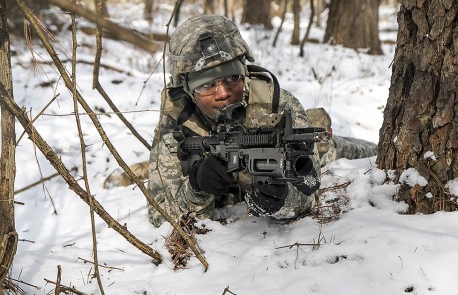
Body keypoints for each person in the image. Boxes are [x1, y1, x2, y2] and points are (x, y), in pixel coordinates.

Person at [147, 15, 376, 227]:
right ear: (187, 89)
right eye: (206, 85)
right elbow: (159, 214)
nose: (222, 93)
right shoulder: (178, 120)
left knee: (348, 149)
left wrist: (282, 200)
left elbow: (308, 191)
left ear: (244, 72)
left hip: (316, 145)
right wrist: (196, 187)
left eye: (231, 78)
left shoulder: (277, 104)